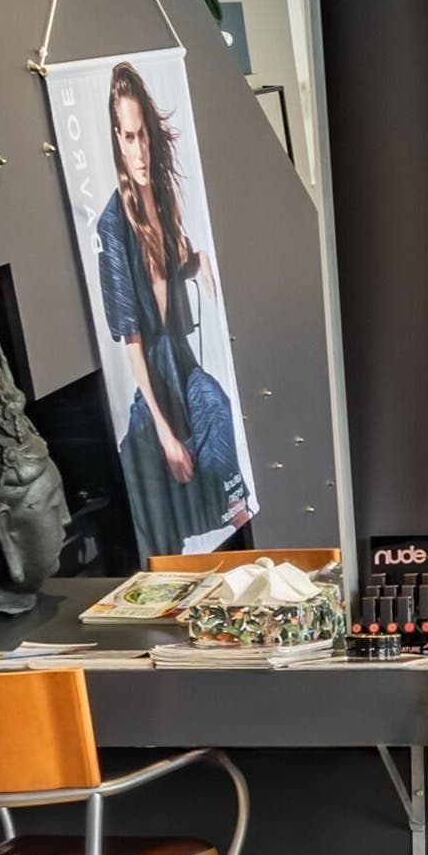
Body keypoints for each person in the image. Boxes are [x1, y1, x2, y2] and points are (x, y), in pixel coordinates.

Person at [95, 60, 248, 557]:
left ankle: (239, 525)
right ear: (116, 139)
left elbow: (170, 267)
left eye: (144, 136)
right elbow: (131, 342)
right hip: (152, 383)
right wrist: (164, 434)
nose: (139, 149)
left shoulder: (162, 197)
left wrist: (198, 259)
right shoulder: (112, 227)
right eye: (129, 137)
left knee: (219, 411)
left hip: (181, 361)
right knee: (153, 506)